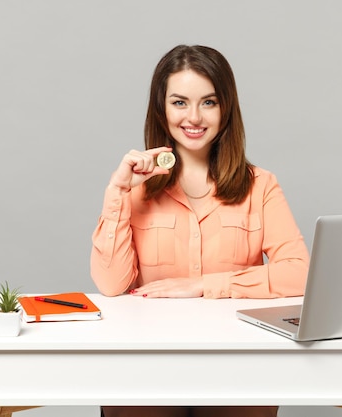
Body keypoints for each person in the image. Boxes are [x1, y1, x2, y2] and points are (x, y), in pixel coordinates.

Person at [90, 45, 310, 417]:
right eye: (179, 102)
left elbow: (302, 273)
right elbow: (111, 284)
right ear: (161, 108)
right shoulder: (135, 187)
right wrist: (117, 192)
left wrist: (206, 285)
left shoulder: (261, 186)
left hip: (239, 361)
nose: (194, 117)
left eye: (208, 102)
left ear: (226, 108)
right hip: (146, 360)